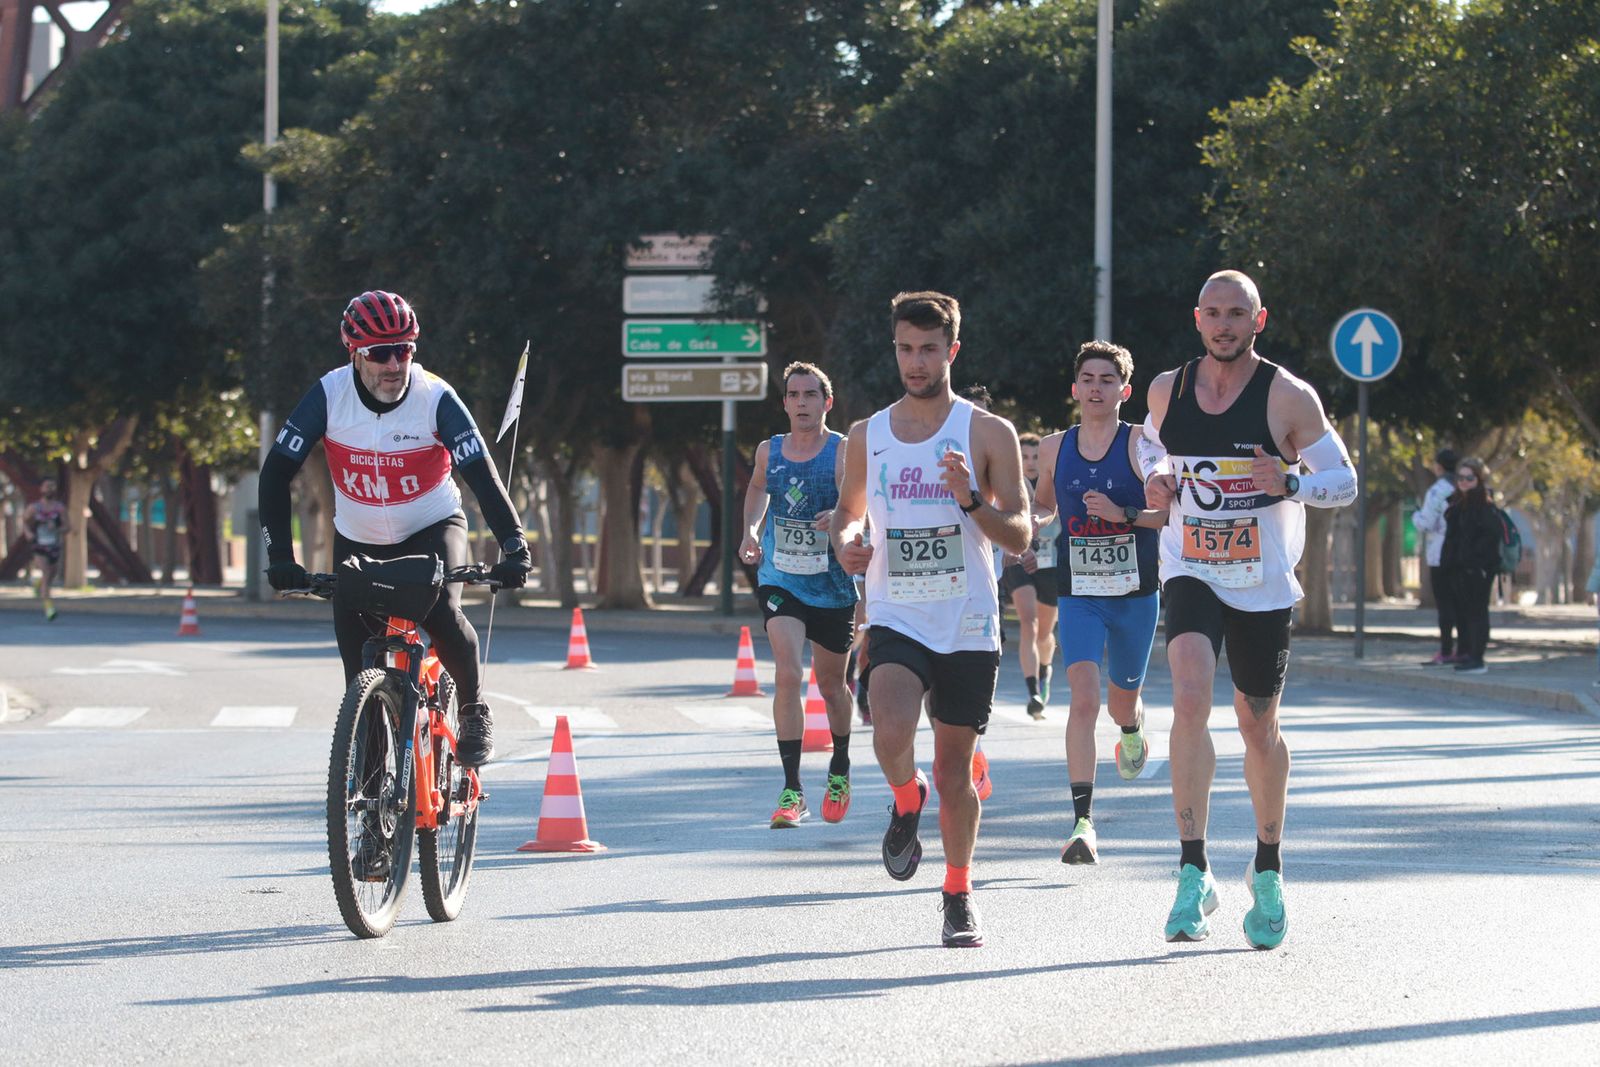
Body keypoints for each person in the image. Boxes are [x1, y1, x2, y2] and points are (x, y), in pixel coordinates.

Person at [1141, 270, 1357, 949]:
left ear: (1258, 322)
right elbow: (1150, 445)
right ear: (1197, 318)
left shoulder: (1288, 396)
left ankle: (1266, 863)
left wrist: (1290, 479)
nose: (1225, 324)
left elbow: (1344, 481)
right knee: (1188, 694)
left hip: (1260, 581)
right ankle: (1191, 865)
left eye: (1239, 314)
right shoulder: (1166, 388)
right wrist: (1157, 473)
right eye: (1215, 313)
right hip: (1191, 567)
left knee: (1257, 724)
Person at [258, 290, 531, 772]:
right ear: (355, 354)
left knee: (442, 612)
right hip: (358, 538)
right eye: (380, 353)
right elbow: (276, 472)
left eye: (403, 350)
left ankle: (472, 712)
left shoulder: (435, 398)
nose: (394, 364)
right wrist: (281, 555)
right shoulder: (329, 395)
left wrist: (514, 544)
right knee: (360, 677)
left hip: (431, 526)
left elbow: (482, 475)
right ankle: (370, 814)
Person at [832, 290, 1031, 948]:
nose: (915, 362)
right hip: (896, 613)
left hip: (969, 621)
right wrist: (849, 540)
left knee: (955, 772)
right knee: (889, 730)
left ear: (952, 349)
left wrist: (971, 498)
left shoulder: (987, 433)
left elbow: (1021, 534)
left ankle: (957, 889)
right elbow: (847, 513)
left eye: (928, 349)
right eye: (905, 350)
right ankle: (903, 792)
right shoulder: (869, 434)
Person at [1032, 341, 1165, 865]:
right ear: (1074, 388)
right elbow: (1043, 503)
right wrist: (1028, 526)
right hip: (1080, 591)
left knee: (1117, 704)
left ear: (1124, 391)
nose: (1095, 387)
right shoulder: (1052, 447)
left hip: (1134, 593)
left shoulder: (1142, 444)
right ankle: (1082, 822)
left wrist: (1122, 512)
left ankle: (1131, 729)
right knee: (1083, 700)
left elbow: (1162, 513)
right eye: (1087, 378)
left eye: (1107, 380)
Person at [739, 362, 858, 828]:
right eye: (794, 395)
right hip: (780, 577)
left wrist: (844, 517)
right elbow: (756, 488)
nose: (802, 403)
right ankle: (792, 789)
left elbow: (864, 502)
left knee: (831, 685)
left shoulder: (844, 450)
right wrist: (751, 530)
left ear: (827, 402)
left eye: (811, 395)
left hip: (832, 583)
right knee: (788, 672)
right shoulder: (769, 451)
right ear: (785, 402)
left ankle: (840, 767)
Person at [1002, 432, 1061, 719]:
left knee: (1045, 633)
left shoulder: (1055, 482)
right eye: (1024, 456)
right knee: (1029, 621)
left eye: (1036, 456)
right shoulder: (1012, 486)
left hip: (1051, 565)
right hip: (1020, 560)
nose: (1030, 462)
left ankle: (1044, 671)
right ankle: (1032, 692)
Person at [1439, 456, 1499, 675]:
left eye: (1469, 478)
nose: (1464, 481)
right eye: (1460, 477)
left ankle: (1477, 658)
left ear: (1479, 479)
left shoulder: (1484, 505)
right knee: (1464, 613)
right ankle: (1467, 654)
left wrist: (1475, 563)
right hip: (1459, 569)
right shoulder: (1457, 503)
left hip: (1477, 570)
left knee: (1477, 613)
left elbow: (1490, 538)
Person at [1411, 447, 1461, 664]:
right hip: (1462, 553)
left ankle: (1446, 649)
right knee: (1460, 603)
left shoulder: (1437, 491)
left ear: (1438, 466)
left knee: (1445, 605)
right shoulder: (1462, 487)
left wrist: (1416, 516)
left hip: (1439, 554)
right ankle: (1464, 648)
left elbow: (1426, 522)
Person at [22, 477, 67, 621]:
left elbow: (68, 526)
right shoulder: (34, 508)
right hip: (39, 544)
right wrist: (28, 533)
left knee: (51, 574)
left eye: (52, 487)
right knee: (46, 573)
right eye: (47, 486)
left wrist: (58, 528)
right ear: (41, 489)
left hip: (54, 545)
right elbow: (24, 522)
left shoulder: (59, 508)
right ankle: (49, 608)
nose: (50, 489)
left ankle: (38, 583)